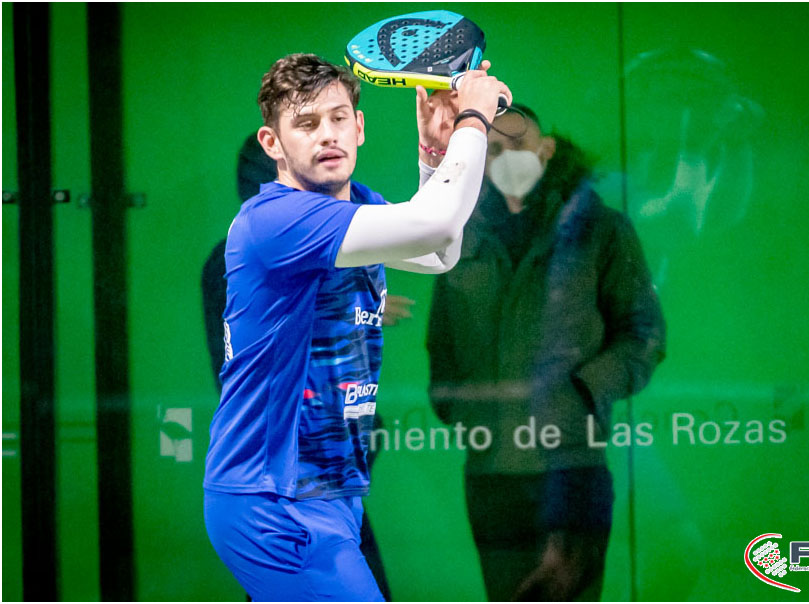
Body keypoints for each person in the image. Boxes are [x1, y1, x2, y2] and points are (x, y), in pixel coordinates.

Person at [202, 53, 510, 602]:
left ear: (360, 126)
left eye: (338, 118)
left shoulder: (355, 205)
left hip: (332, 493)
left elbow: (439, 251)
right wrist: (473, 119)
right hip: (273, 500)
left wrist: (435, 153)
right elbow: (435, 224)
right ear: (272, 143)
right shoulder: (275, 220)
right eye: (306, 123)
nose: (327, 134)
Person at [427, 104, 666, 601]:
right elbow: (442, 341)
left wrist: (584, 393)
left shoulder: (598, 229)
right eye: (492, 149)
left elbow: (644, 333)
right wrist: (461, 407)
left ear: (546, 149)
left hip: (571, 468)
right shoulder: (461, 235)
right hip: (492, 472)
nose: (505, 157)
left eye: (517, 143)